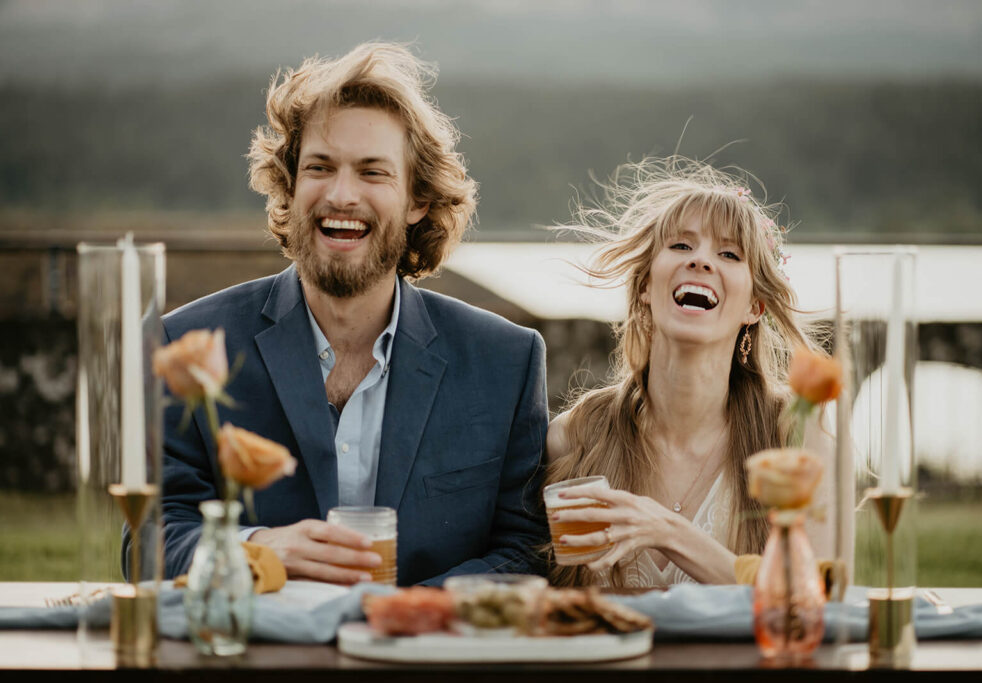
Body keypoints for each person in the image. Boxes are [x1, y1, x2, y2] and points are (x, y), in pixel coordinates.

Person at [160, 43, 549, 586]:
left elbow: (526, 551)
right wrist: (260, 549)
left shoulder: (506, 360)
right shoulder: (187, 344)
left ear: (417, 199)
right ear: (291, 186)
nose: (342, 195)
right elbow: (153, 538)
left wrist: (409, 615)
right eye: (320, 167)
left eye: (373, 173)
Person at [545, 157, 833, 588]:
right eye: (681, 246)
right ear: (645, 286)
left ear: (755, 307)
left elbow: (816, 600)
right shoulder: (573, 436)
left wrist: (668, 532)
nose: (701, 261)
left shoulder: (796, 437)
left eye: (729, 253)